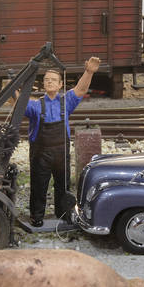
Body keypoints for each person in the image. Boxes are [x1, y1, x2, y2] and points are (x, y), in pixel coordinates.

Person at [23, 57, 101, 228]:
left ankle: (64, 213)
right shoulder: (35, 106)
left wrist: (88, 72)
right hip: (41, 154)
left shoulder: (67, 102)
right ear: (43, 84)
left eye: (53, 80)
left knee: (63, 186)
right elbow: (19, 103)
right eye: (46, 80)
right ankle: (37, 216)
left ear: (60, 85)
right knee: (38, 186)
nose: (49, 82)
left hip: (61, 153)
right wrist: (13, 86)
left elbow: (80, 89)